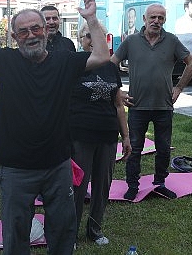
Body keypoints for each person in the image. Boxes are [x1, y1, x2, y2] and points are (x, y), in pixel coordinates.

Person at [0, 0, 111, 254]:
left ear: (45, 30)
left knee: (63, 228)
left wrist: (92, 19)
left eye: (35, 28)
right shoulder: (5, 61)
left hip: (58, 163)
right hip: (16, 166)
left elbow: (101, 56)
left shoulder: (64, 61)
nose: (31, 35)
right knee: (16, 230)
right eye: (23, 32)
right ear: (14, 37)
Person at [111, 3, 192, 201]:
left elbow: (191, 63)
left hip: (163, 106)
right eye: (153, 18)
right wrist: (118, 92)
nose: (156, 21)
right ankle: (132, 185)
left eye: (160, 18)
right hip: (137, 106)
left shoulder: (172, 41)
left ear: (164, 20)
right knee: (133, 148)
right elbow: (111, 63)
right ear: (144, 19)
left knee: (164, 148)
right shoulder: (131, 41)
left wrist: (179, 88)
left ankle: (160, 183)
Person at [70, 24, 131, 246]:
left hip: (107, 135)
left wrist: (125, 136)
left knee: (102, 186)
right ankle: (71, 232)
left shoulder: (110, 67)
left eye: (97, 36)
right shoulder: (74, 64)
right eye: (88, 36)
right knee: (77, 186)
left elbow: (118, 105)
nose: (92, 40)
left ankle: (94, 230)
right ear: (80, 39)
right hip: (81, 136)